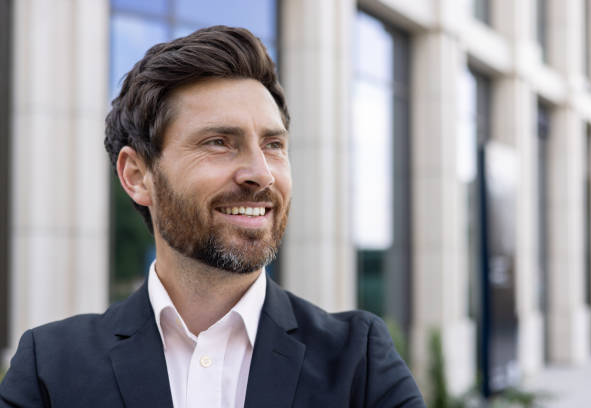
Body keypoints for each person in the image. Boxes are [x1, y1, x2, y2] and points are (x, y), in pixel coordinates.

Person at [0, 26, 425, 407]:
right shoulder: (50, 370)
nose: (260, 173)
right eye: (220, 142)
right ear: (137, 176)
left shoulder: (359, 361)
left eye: (273, 145)